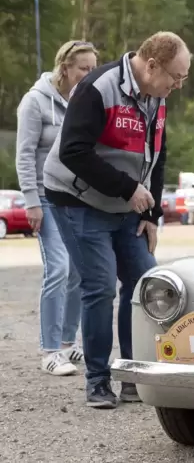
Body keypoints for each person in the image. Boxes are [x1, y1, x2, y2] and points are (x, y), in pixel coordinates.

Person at [42, 31, 191, 409]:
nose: (178, 85)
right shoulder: (98, 88)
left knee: (145, 283)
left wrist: (152, 214)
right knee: (100, 287)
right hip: (77, 200)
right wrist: (128, 189)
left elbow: (157, 154)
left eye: (183, 78)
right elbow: (73, 152)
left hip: (126, 204)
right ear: (152, 65)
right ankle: (97, 380)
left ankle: (131, 374)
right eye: (176, 76)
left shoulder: (157, 97)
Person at [15, 40, 99, 376]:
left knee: (79, 270)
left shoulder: (83, 102)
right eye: (84, 68)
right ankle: (49, 350)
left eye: (93, 69)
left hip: (75, 198)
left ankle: (67, 344)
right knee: (59, 268)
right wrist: (31, 202)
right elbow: (24, 154)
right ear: (65, 68)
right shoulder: (34, 102)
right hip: (45, 198)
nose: (89, 74)